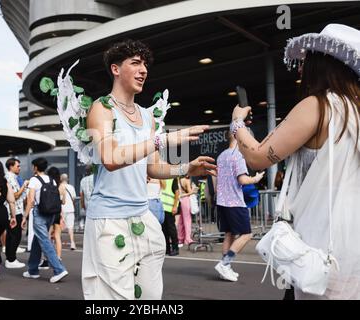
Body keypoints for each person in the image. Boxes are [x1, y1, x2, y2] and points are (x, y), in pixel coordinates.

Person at [230, 24, 360, 298]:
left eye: (307, 60)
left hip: (319, 242)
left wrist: (237, 124)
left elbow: (257, 157)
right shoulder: (356, 112)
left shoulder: (320, 106)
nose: (301, 67)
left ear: (323, 64)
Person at [83, 39, 216, 299]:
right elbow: (110, 158)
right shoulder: (102, 109)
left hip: (142, 217)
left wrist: (187, 168)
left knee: (150, 297)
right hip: (109, 221)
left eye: (145, 64)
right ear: (115, 69)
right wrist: (162, 140)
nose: (143, 70)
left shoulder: (147, 117)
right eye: (135, 63)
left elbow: (154, 168)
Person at [213, 133, 264, 282]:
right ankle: (224, 264)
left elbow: (217, 184)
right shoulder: (238, 156)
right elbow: (242, 179)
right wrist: (256, 178)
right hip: (235, 202)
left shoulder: (221, 156)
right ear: (239, 138)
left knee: (229, 234)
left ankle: (225, 268)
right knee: (247, 234)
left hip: (222, 201)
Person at [21, 158, 69, 283]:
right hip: (51, 213)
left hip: (39, 213)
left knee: (44, 241)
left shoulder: (34, 180)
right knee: (38, 240)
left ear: (36, 168)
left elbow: (31, 200)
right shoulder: (52, 180)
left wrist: (25, 217)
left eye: (33, 167)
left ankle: (59, 269)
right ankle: (33, 270)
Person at [4, 158, 28, 269]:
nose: (19, 168)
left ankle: (10, 258)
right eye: (17, 166)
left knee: (12, 235)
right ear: (11, 166)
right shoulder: (10, 178)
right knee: (15, 235)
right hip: (13, 211)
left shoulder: (13, 177)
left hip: (15, 210)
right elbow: (15, 195)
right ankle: (11, 259)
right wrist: (24, 185)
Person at [47, 166, 66, 261]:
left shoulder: (49, 185)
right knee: (57, 236)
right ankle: (58, 256)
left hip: (50, 212)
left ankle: (48, 256)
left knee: (48, 235)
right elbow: (63, 202)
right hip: (58, 212)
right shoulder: (62, 186)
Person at [161, 179, 179, 256]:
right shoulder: (161, 179)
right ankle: (167, 249)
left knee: (171, 230)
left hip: (170, 209)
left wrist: (175, 206)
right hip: (162, 209)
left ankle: (175, 248)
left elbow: (177, 194)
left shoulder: (172, 179)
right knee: (164, 230)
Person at [176, 175, 196, 246]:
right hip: (186, 200)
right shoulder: (187, 181)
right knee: (187, 220)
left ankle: (180, 238)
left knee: (181, 221)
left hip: (179, 200)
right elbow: (190, 192)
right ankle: (187, 239)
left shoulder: (177, 180)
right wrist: (193, 189)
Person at [60, 173, 77, 250]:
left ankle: (58, 243)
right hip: (70, 209)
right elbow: (73, 198)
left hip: (61, 209)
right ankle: (72, 243)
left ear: (61, 179)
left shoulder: (60, 187)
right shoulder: (71, 187)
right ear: (67, 179)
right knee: (70, 227)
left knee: (59, 227)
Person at [79, 166, 94, 231]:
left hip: (86, 202)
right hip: (95, 201)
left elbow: (81, 194)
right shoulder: (95, 178)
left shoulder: (83, 180)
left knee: (88, 218)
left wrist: (82, 205)